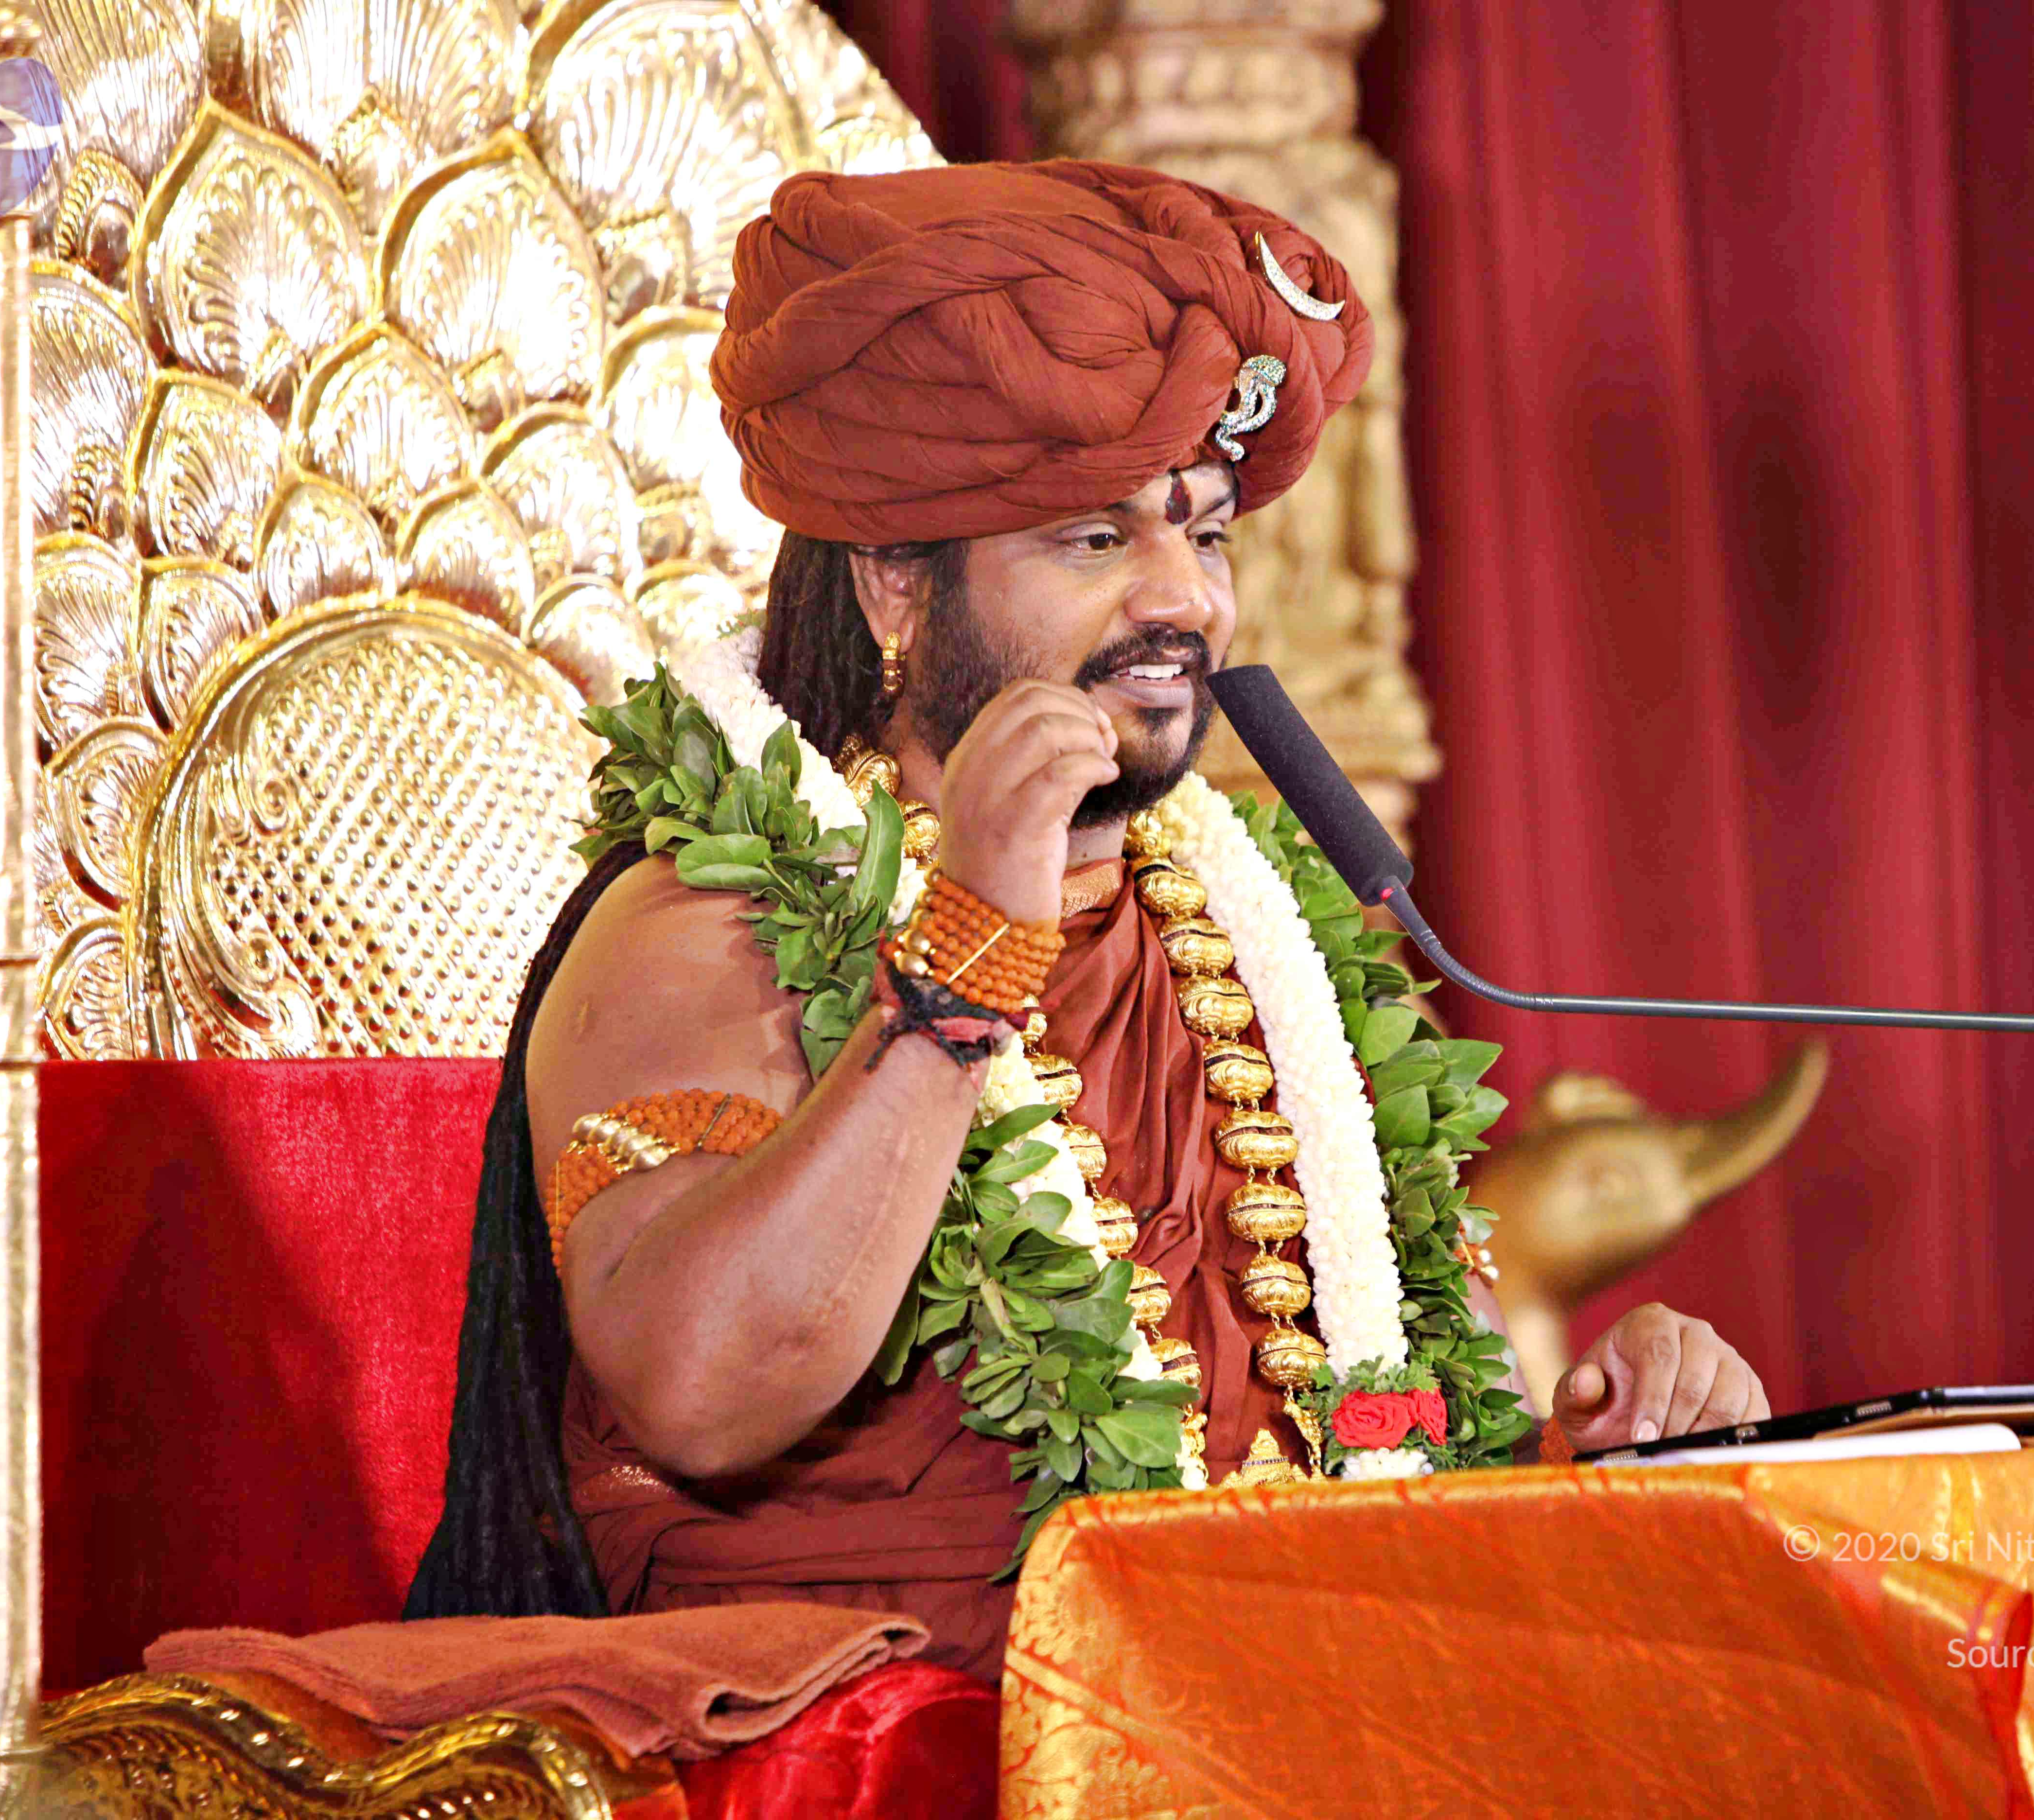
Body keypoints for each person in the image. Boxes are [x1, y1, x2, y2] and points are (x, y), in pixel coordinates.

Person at [408, 160, 1769, 1680]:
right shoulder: (703, 927)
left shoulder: (1254, 939)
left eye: (1207, 534)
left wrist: (1578, 1445)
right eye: (1097, 540)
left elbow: (1369, 1424)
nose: (1184, 601)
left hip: (1291, 1689)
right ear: (894, 589)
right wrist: (959, 969)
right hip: (918, 1736)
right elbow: (701, 1393)